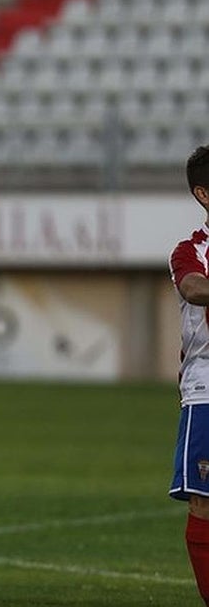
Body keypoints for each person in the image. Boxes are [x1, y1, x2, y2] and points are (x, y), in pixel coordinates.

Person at [168, 144, 209, 606]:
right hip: (207, 390)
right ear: (204, 193)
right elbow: (193, 287)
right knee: (205, 504)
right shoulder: (191, 250)